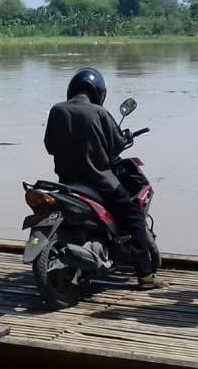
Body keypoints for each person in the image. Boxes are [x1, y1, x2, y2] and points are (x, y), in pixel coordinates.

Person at [44, 67, 167, 289]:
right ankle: (146, 276)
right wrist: (124, 137)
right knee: (135, 219)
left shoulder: (56, 110)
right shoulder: (99, 113)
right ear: (99, 92)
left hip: (68, 184)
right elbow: (117, 145)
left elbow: (50, 146)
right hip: (101, 184)